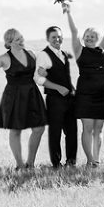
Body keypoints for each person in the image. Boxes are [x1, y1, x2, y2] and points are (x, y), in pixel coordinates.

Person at [64, 1, 104, 167]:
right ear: (83, 38)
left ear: (97, 39)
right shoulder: (79, 50)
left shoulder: (103, 49)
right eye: (87, 36)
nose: (89, 38)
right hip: (85, 93)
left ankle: (96, 159)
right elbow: (73, 31)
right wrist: (68, 12)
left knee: (99, 129)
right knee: (87, 127)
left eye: (92, 37)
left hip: (102, 93)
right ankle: (89, 161)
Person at [0, 29, 47, 169]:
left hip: (32, 94)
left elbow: (39, 72)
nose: (21, 41)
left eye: (21, 38)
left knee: (39, 128)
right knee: (15, 130)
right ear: (9, 43)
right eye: (17, 40)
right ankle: (20, 165)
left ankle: (30, 163)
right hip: (14, 96)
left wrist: (43, 72)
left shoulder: (31, 53)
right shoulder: (4, 58)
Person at [34, 25, 78, 168]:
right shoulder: (44, 55)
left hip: (69, 98)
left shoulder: (64, 54)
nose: (57, 39)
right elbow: (38, 79)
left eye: (59, 36)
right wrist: (58, 88)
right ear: (48, 39)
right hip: (55, 99)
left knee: (72, 131)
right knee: (55, 132)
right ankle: (56, 164)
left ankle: (71, 161)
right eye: (53, 37)